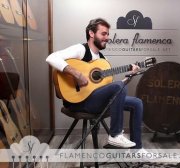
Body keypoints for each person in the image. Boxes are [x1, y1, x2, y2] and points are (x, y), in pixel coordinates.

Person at [46, 18, 145, 151]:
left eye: (108, 34)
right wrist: (77, 74)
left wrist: (130, 76)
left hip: (95, 101)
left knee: (137, 103)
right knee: (117, 87)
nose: (107, 37)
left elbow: (114, 89)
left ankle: (137, 149)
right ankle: (115, 135)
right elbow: (51, 57)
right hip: (78, 102)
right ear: (91, 33)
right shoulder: (81, 49)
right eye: (103, 34)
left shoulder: (103, 61)